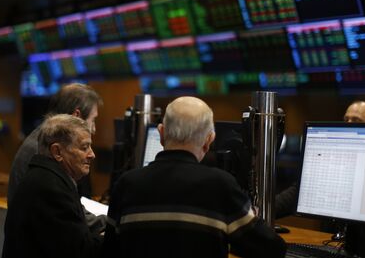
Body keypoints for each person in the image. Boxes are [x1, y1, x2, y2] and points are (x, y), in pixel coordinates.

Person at [103, 96, 286, 258]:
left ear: (161, 133)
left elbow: (110, 251)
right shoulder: (220, 186)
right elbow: (272, 249)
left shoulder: (126, 184)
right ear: (209, 140)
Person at [7, 83, 105, 233]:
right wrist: (112, 221)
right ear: (77, 116)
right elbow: (66, 210)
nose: (94, 128)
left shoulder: (40, 139)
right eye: (93, 120)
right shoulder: (44, 148)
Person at [2, 114, 103, 258]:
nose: (92, 154)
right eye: (84, 147)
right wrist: (107, 236)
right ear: (57, 152)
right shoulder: (50, 189)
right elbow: (81, 252)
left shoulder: (46, 177)